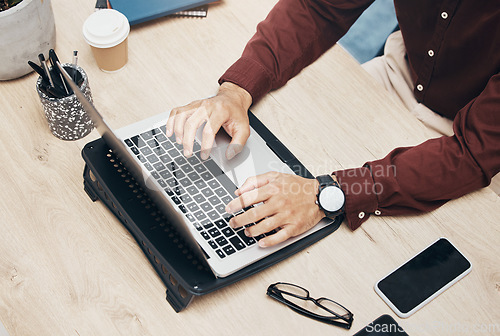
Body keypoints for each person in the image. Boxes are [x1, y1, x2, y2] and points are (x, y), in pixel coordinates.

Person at [166, 0, 500, 248]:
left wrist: (329, 192)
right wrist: (236, 91)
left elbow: (473, 152)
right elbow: (319, 8)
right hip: (401, 71)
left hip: (476, 138)